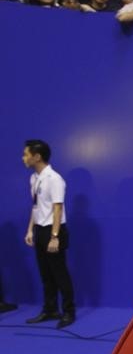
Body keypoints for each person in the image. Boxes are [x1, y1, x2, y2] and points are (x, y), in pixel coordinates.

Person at [22, 139, 76, 328]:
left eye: (26, 154)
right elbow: (36, 206)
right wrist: (30, 229)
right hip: (39, 230)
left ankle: (69, 312)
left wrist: (54, 237)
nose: (24, 158)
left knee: (60, 274)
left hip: (54, 230)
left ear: (37, 157)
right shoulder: (34, 179)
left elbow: (57, 209)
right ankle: (50, 309)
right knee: (45, 274)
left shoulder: (55, 179)